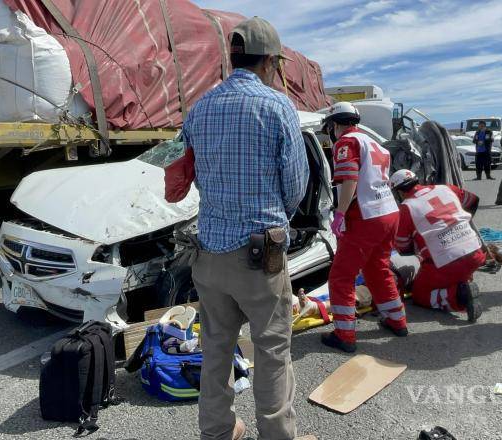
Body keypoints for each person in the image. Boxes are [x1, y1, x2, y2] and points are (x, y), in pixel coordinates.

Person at [182, 17, 308, 440]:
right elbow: (295, 186)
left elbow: (197, 177)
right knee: (272, 350)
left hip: (209, 252)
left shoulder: (199, 108)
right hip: (259, 255)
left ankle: (217, 432)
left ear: (232, 58)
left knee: (215, 348)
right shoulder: (276, 106)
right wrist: (274, 218)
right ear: (271, 61)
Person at [322, 101, 408, 353]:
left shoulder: (346, 143)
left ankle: (345, 335)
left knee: (341, 276)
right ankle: (397, 320)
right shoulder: (374, 143)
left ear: (335, 124)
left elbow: (349, 180)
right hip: (389, 213)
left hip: (365, 217)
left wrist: (339, 214)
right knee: (377, 268)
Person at [390, 169, 486, 321]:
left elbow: (403, 247)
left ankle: (458, 296)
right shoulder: (446, 188)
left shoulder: (406, 208)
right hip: (475, 252)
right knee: (452, 273)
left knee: (420, 294)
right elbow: (473, 200)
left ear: (399, 192)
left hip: (446, 263)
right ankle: (462, 282)